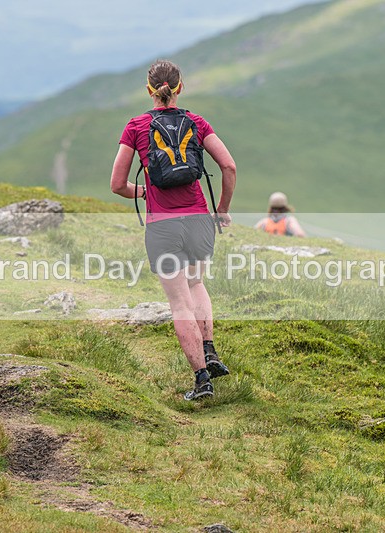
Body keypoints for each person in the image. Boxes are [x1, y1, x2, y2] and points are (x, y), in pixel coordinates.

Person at [110, 59, 237, 401]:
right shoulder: (196, 122)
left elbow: (117, 185)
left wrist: (146, 191)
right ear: (180, 87)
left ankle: (202, 382)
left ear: (149, 90)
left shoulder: (135, 126)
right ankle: (210, 352)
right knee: (196, 283)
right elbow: (228, 165)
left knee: (179, 303)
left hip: (162, 227)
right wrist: (222, 210)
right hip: (198, 220)